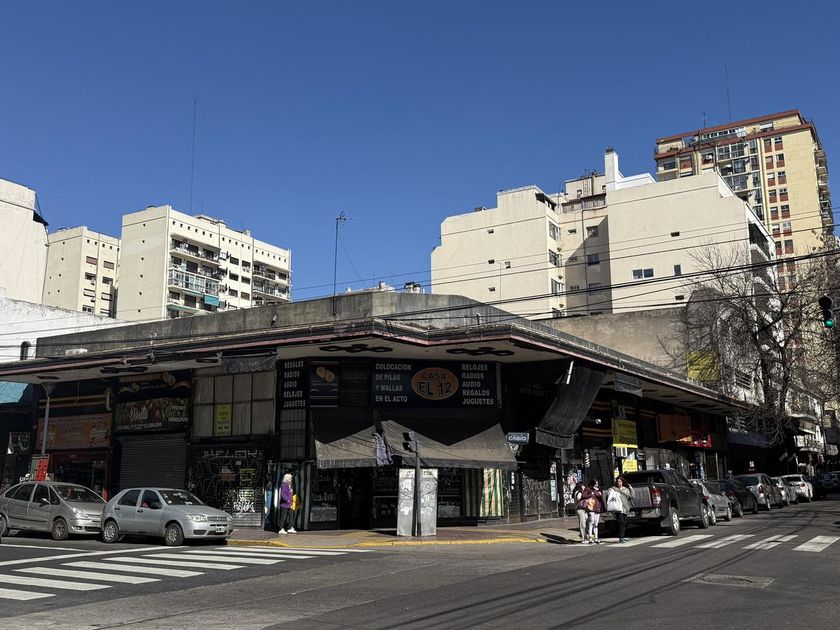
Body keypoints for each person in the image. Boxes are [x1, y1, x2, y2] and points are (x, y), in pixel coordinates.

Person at [607, 476, 633, 543]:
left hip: (625, 508)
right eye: (618, 481)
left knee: (624, 523)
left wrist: (630, 488)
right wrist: (610, 492)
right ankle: (621, 537)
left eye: (620, 481)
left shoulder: (626, 489)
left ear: (622, 482)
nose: (619, 483)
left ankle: (622, 536)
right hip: (618, 508)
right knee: (621, 522)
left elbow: (631, 497)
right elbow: (609, 496)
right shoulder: (613, 489)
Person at [580, 479, 604, 544]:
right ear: (592, 484)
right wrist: (590, 494)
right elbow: (583, 496)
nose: (597, 485)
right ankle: (590, 537)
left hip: (598, 508)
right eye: (595, 483)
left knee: (596, 523)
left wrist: (600, 495)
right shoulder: (589, 489)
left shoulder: (598, 490)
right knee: (591, 522)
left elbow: (601, 500)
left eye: (597, 483)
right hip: (591, 508)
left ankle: (596, 538)